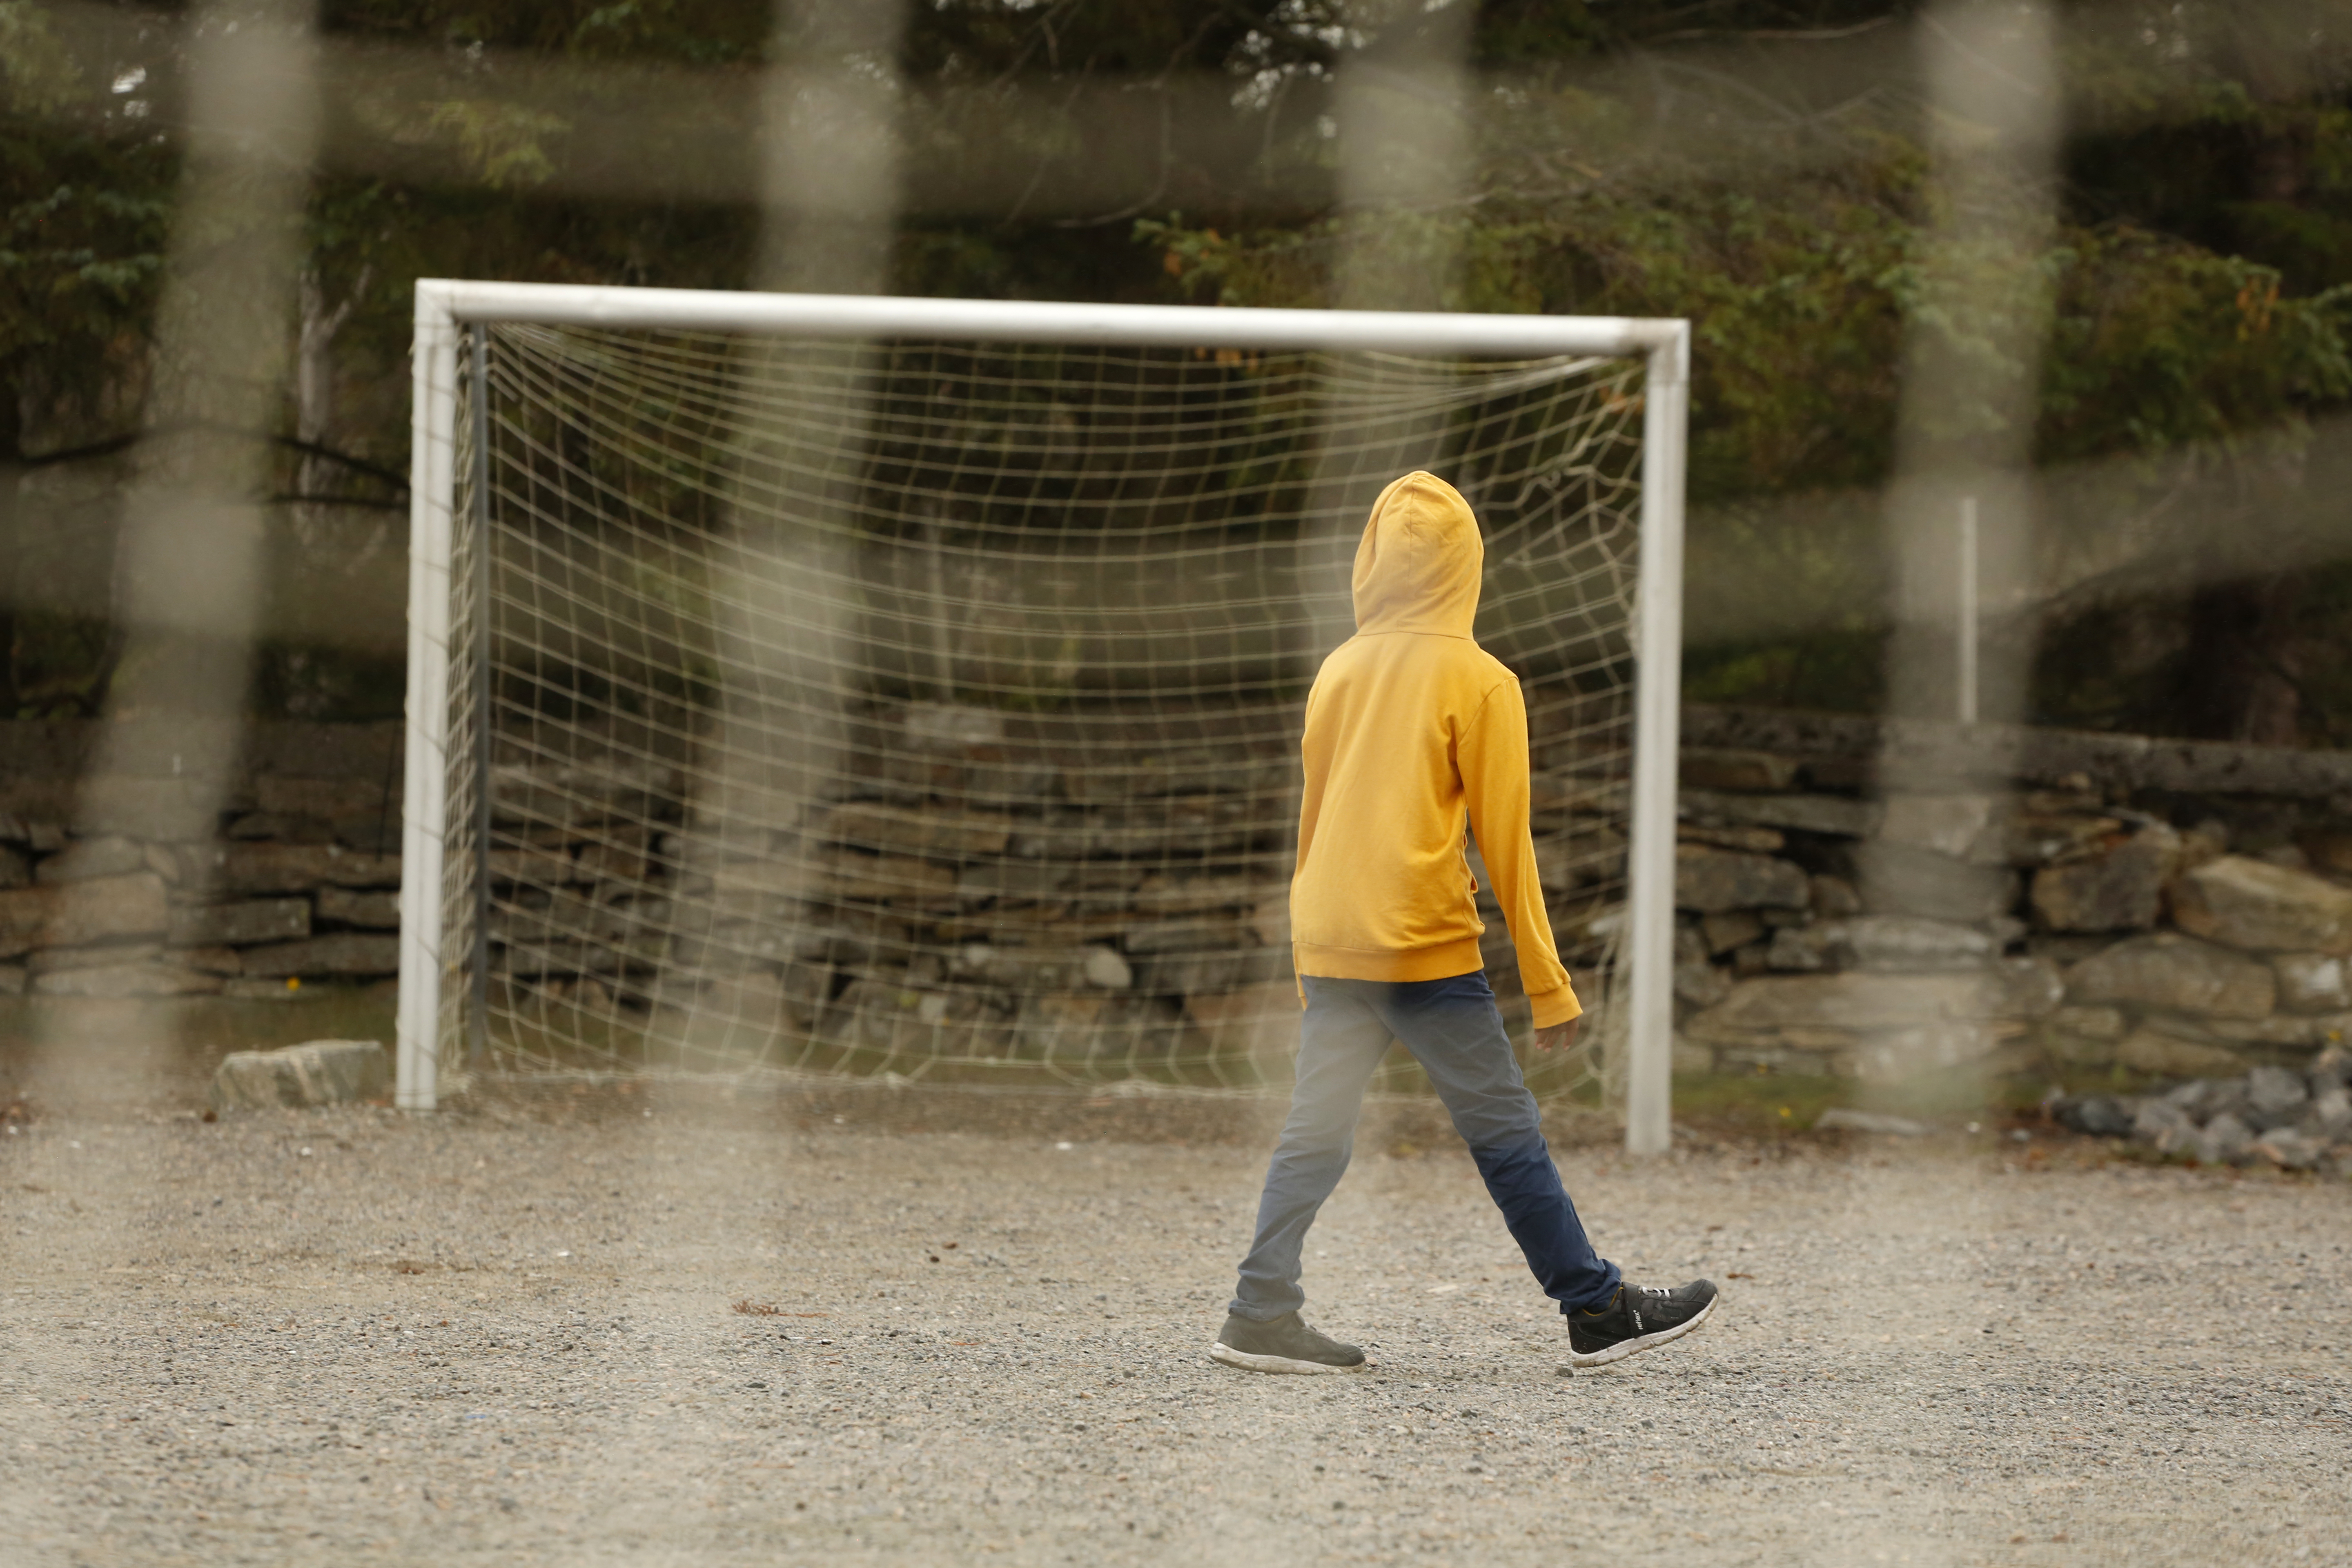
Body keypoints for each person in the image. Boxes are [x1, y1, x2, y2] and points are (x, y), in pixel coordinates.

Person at [1211, 471, 1717, 1375]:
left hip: (1334, 933)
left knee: (1313, 1132)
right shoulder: (1482, 680)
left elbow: (1314, 817)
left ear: (1371, 559)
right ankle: (1596, 1308)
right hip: (1418, 944)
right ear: (1466, 562)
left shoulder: (1338, 666)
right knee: (1503, 1128)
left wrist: (1306, 953)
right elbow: (1507, 843)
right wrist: (1550, 984)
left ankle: (1259, 1312)